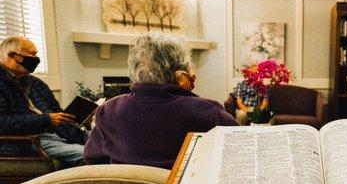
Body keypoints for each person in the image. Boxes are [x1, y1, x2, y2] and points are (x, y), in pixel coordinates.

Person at [84, 33, 238, 169]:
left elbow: (92, 157)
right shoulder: (206, 111)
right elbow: (242, 149)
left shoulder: (109, 110)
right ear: (181, 73)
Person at [0, 36, 87, 166]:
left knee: (111, 141)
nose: (36, 59)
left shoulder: (35, 83)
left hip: (55, 134)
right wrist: (46, 119)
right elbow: (2, 123)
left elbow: (56, 111)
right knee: (91, 155)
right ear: (12, 56)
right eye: (31, 54)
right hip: (26, 141)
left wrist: (77, 120)